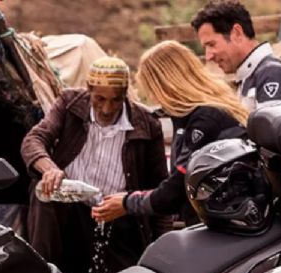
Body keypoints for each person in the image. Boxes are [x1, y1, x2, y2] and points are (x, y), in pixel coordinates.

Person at [21, 57, 168, 273]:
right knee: (45, 192)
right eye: (100, 99)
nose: (107, 109)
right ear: (89, 90)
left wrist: (161, 246)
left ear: (125, 94)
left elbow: (159, 188)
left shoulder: (147, 124)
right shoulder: (69, 104)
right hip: (70, 212)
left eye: (115, 100)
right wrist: (49, 169)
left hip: (116, 216)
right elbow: (35, 139)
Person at [92, 41, 249, 224]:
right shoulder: (199, 114)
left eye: (152, 90)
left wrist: (127, 203)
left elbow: (177, 189)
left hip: (226, 226)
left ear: (166, 86)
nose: (153, 98)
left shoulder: (205, 120)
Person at [192, 0, 281, 110]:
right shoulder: (250, 76)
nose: (208, 56)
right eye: (205, 48)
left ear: (237, 33)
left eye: (212, 44)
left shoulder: (272, 74)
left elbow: (271, 128)